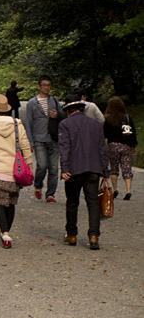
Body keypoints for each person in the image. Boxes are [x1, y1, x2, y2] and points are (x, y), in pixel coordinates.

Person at [58, 92, 111, 250]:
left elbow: (65, 148)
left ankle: (72, 234)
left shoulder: (65, 124)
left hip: (74, 169)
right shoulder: (95, 124)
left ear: (68, 110)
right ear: (82, 107)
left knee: (72, 202)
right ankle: (93, 236)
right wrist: (105, 170)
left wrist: (65, 168)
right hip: (93, 168)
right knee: (93, 203)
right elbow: (102, 148)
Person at [0, 93, 33, 249]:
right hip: (13, 169)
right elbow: (25, 146)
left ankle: (5, 233)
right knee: (10, 202)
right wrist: (29, 165)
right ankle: (7, 231)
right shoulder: (17, 125)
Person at [24, 75, 65, 202]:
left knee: (53, 167)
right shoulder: (32, 103)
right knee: (42, 165)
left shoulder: (54, 101)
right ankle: (38, 185)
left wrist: (57, 115)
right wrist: (29, 141)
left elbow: (64, 116)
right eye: (44, 85)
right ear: (39, 86)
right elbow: (28, 122)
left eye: (48, 85)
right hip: (39, 138)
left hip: (53, 137)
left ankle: (50, 194)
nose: (46, 87)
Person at [103, 96, 138, 201]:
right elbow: (133, 132)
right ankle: (128, 190)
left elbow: (106, 136)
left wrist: (105, 148)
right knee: (127, 168)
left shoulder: (108, 119)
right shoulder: (127, 118)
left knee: (114, 168)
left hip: (113, 146)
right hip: (126, 146)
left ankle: (115, 189)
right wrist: (134, 145)